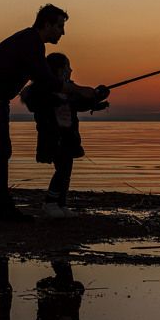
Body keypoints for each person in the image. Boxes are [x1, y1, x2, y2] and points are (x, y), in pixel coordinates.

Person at [0, 5, 109, 222]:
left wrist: (89, 98)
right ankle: (0, 209)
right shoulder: (30, 43)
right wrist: (81, 90)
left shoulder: (30, 42)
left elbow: (48, 83)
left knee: (2, 150)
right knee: (2, 150)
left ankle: (1, 206)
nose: (63, 32)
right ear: (47, 24)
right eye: (60, 26)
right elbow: (48, 81)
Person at [20, 52, 109, 218]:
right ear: (59, 70)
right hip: (53, 137)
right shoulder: (42, 90)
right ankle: (50, 203)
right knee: (62, 170)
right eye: (68, 67)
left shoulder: (68, 90)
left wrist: (97, 98)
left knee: (66, 171)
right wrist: (64, 99)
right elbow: (40, 103)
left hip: (68, 136)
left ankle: (61, 204)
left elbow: (79, 104)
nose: (71, 70)